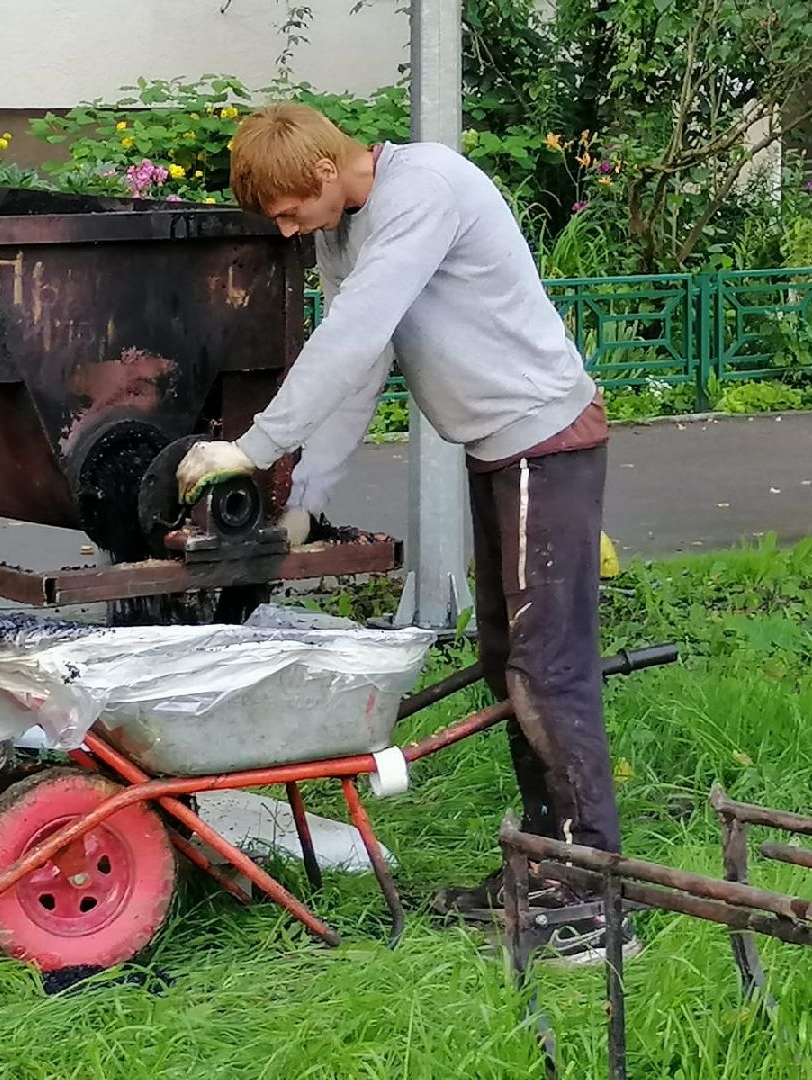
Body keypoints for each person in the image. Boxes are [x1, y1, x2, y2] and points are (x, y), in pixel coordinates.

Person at [175, 102, 638, 965]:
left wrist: (252, 447)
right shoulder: (342, 231)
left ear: (322, 172)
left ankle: (593, 902)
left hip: (545, 439)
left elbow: (349, 338)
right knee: (512, 663)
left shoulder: (423, 189)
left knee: (549, 670)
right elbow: (362, 368)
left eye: (286, 211)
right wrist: (304, 495)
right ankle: (544, 870)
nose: (283, 230)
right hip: (501, 450)